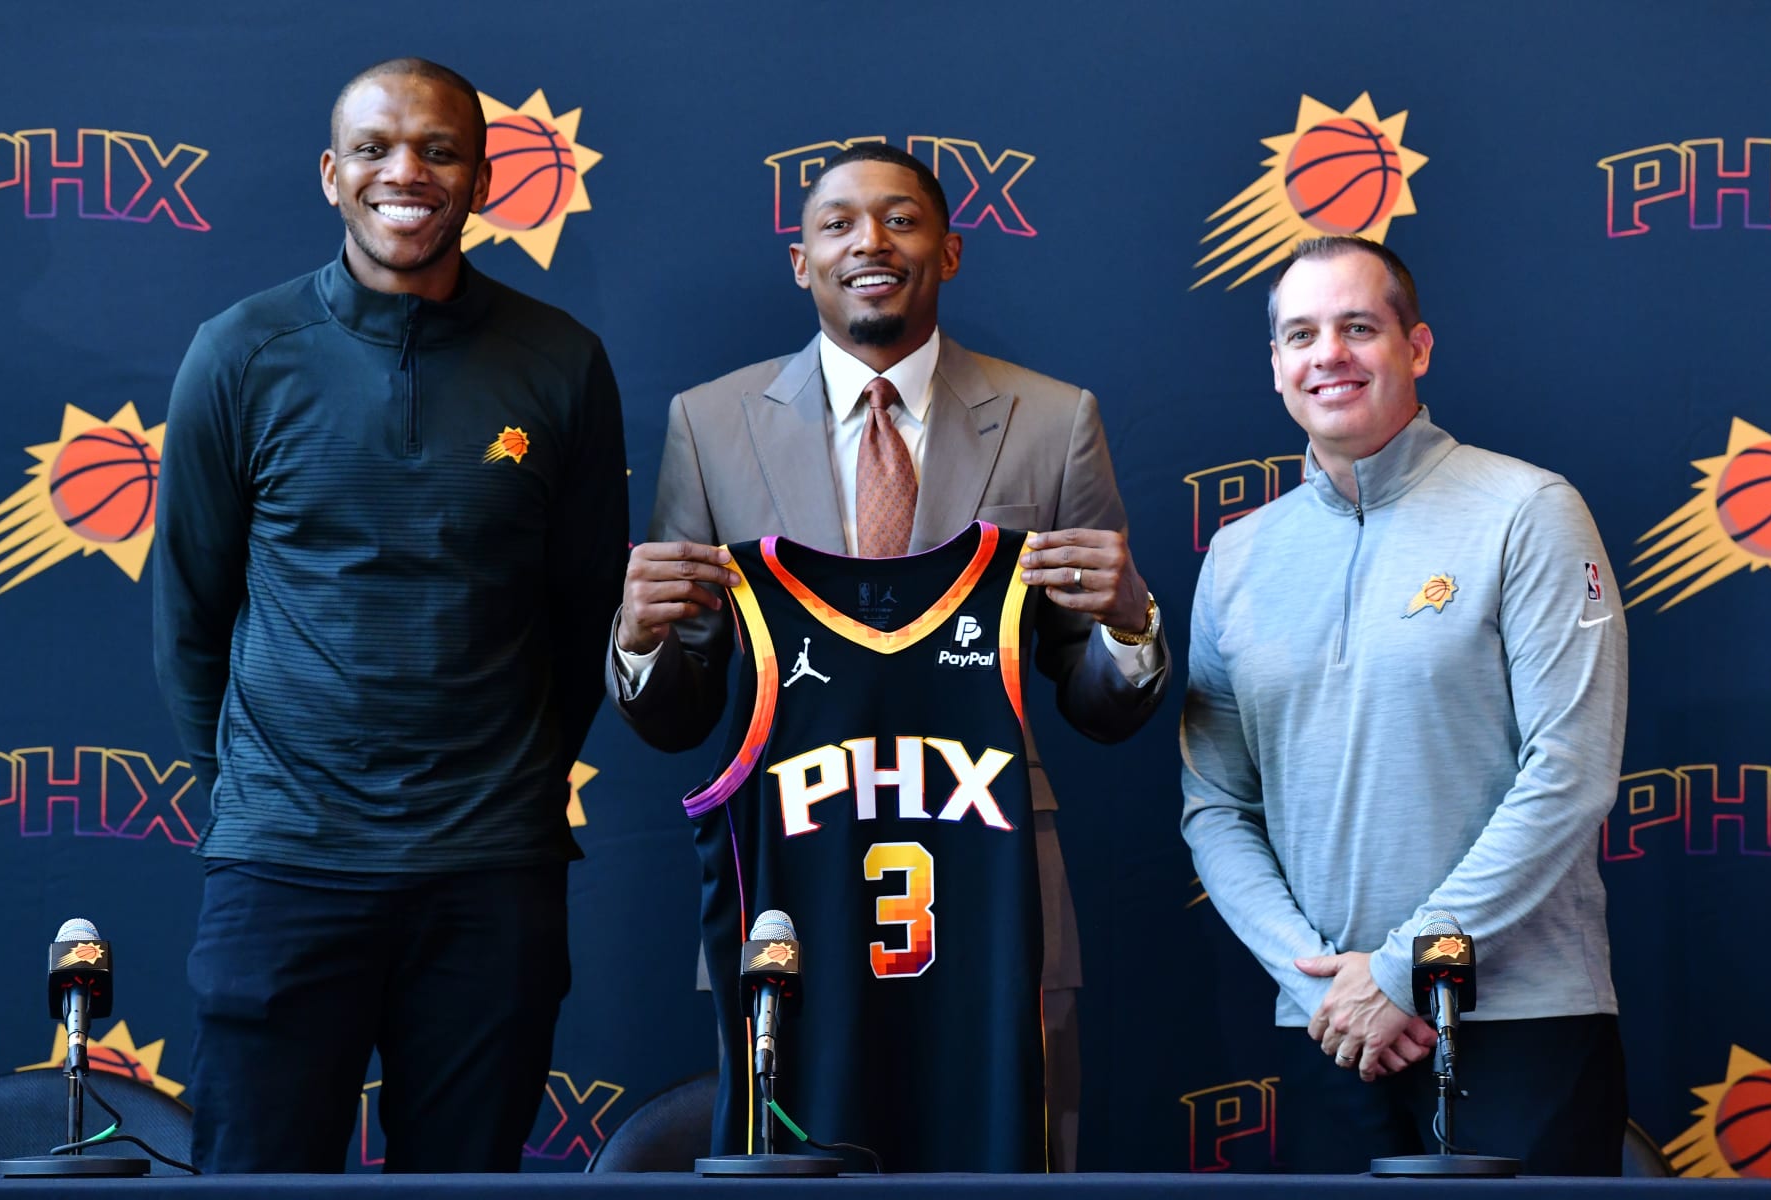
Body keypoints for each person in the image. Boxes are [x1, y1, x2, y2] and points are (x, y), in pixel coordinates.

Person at [606, 143, 1168, 1170]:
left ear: (948, 250)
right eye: (839, 223)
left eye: (902, 219)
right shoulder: (709, 423)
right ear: (801, 259)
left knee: (1003, 1159)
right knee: (788, 1165)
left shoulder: (1055, 420)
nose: (871, 241)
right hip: (790, 877)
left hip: (990, 884)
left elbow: (1096, 705)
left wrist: (1129, 630)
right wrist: (640, 645)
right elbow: (685, 710)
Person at [152, 57, 627, 1173]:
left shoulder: (562, 362)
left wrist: (504, 781)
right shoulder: (239, 353)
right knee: (258, 1181)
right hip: (285, 866)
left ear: (482, 176)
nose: (405, 172)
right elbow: (190, 613)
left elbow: (583, 613)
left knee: (464, 1184)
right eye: (374, 149)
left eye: (439, 150)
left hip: (492, 871)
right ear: (332, 174)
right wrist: (266, 793)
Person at [1179, 235, 1629, 1174]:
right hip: (1335, 1035)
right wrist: (1323, 988)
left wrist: (1400, 971)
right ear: (1275, 367)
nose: (1328, 354)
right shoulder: (1237, 558)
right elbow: (1217, 807)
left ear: (1416, 348)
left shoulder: (1527, 509)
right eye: (1301, 334)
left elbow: (1571, 775)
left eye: (1358, 327)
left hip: (1521, 1025)